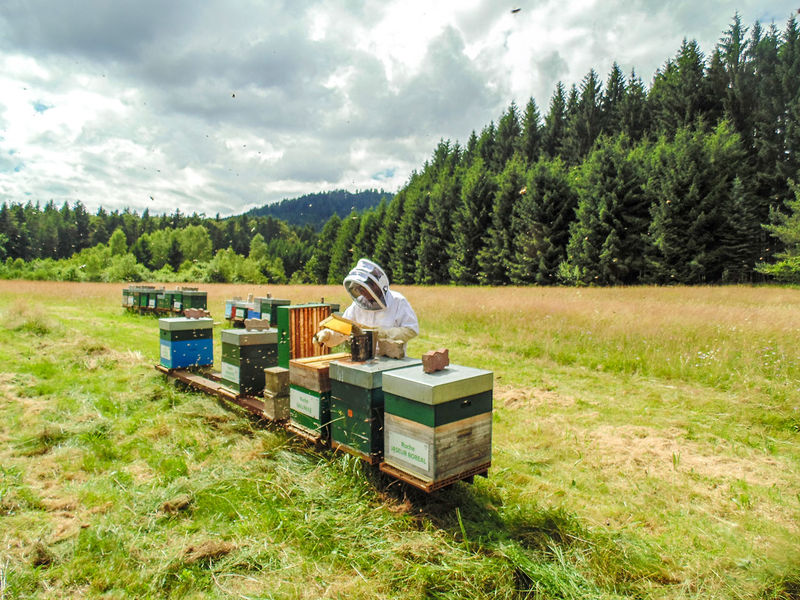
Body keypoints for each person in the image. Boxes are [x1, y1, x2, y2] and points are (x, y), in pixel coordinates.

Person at [314, 258, 418, 351]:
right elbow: (344, 331)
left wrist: (383, 334)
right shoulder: (358, 305)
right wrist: (328, 335)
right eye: (358, 289)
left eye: (363, 289)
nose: (361, 293)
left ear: (375, 285)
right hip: (363, 358)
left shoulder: (398, 301)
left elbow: (411, 330)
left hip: (392, 359)